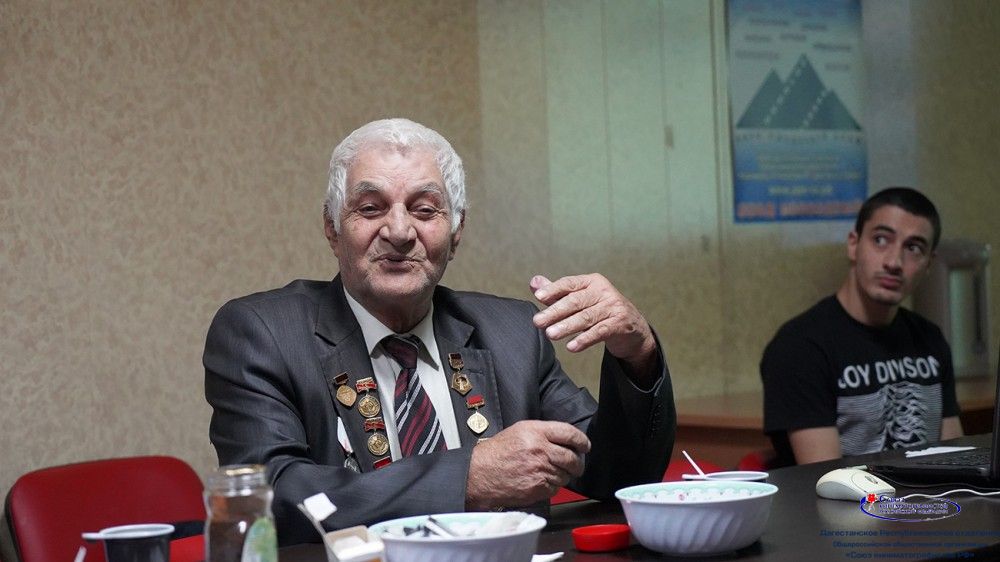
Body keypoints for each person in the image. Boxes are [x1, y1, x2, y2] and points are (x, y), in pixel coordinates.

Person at [204, 118, 676, 545]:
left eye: (425, 210)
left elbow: (619, 475)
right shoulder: (262, 334)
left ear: (456, 231)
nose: (399, 231)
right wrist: (466, 478)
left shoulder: (511, 332)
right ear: (332, 228)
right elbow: (272, 498)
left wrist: (638, 355)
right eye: (370, 208)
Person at [760, 187, 964, 467]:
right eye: (881, 240)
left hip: (935, 492)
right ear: (853, 245)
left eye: (913, 248)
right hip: (845, 494)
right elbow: (826, 478)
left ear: (929, 264)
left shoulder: (930, 338)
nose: (894, 262)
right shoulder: (800, 347)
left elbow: (954, 458)